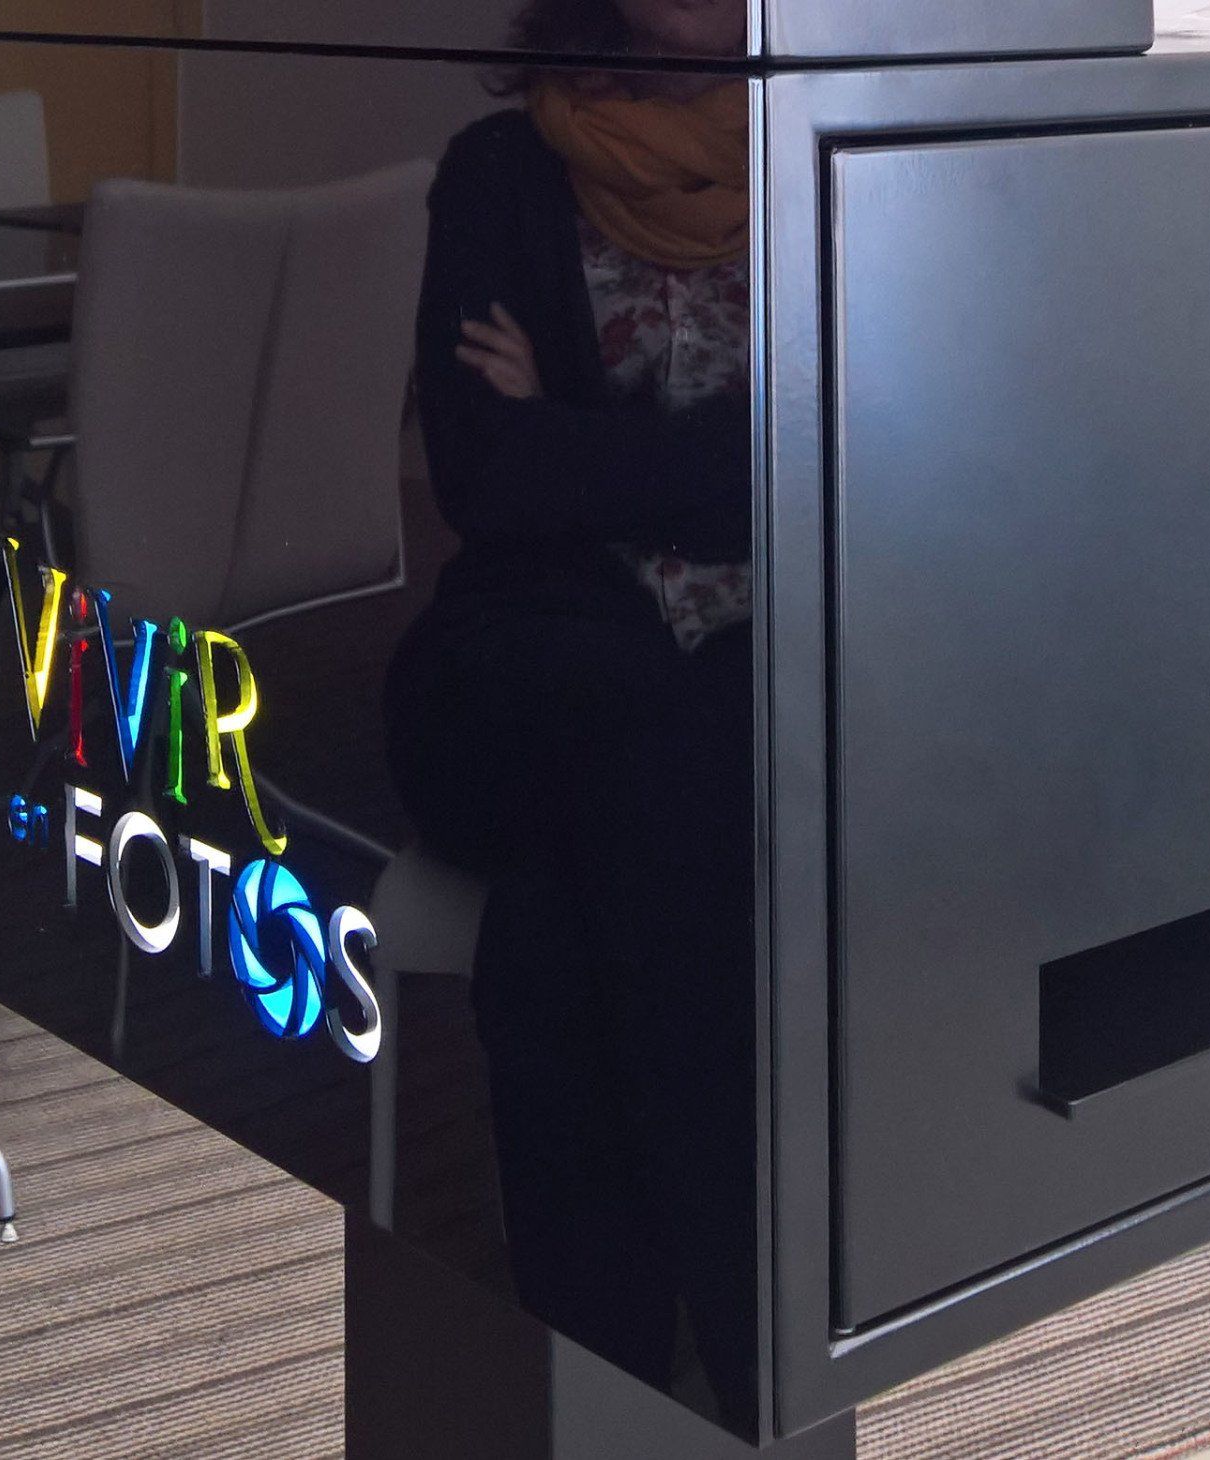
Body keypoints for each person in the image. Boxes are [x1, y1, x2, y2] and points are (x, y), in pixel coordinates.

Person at [383, 0, 758, 1428]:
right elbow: (488, 478)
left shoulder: (808, 152)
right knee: (656, 779)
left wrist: (578, 441)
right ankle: (759, 1365)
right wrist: (687, 461)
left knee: (557, 925)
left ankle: (598, 1398)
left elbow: (835, 449)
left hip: (731, 668)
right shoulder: (503, 172)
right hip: (524, 662)